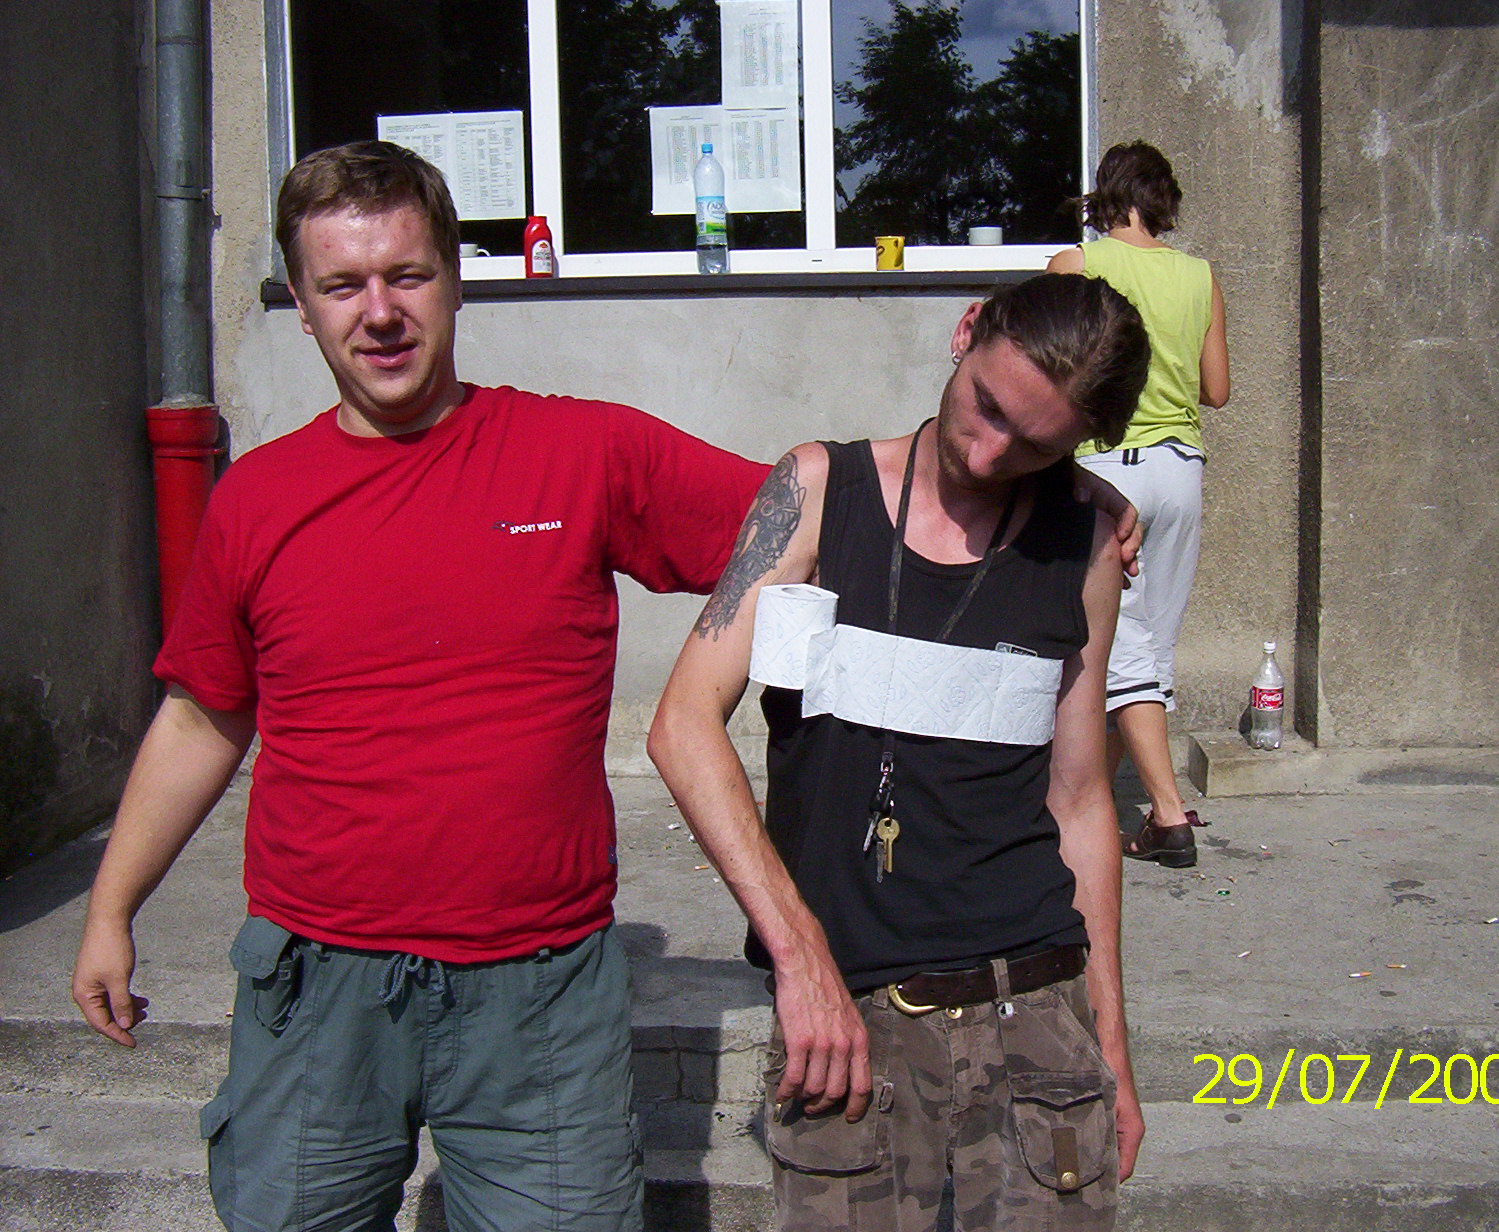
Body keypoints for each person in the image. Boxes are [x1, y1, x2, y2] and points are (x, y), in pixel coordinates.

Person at [70, 144, 1142, 1231]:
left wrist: (1060, 490)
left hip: (537, 994)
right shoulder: (257, 499)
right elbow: (201, 717)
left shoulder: (583, 452)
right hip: (317, 983)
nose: (381, 312)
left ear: (456, 278)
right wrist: (112, 908)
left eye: (409, 274)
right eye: (343, 285)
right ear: (301, 306)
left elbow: (846, 512)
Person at [647, 273, 1151, 1231]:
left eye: (1036, 444)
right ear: (966, 332)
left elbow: (1081, 799)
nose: (989, 452)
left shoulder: (1084, 541)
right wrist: (800, 959)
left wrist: (1111, 1045)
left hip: (1034, 1014)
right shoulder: (816, 493)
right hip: (849, 1020)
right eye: (987, 406)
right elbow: (682, 726)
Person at [1048, 139, 1230, 869]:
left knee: (1123, 656)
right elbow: (1217, 390)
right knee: (1144, 653)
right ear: (1163, 200)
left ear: (1105, 195)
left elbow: (1049, 368)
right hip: (1181, 472)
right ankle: (1081, 806)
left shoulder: (1076, 266)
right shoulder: (1200, 276)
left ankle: (1167, 812)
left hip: (1106, 472)